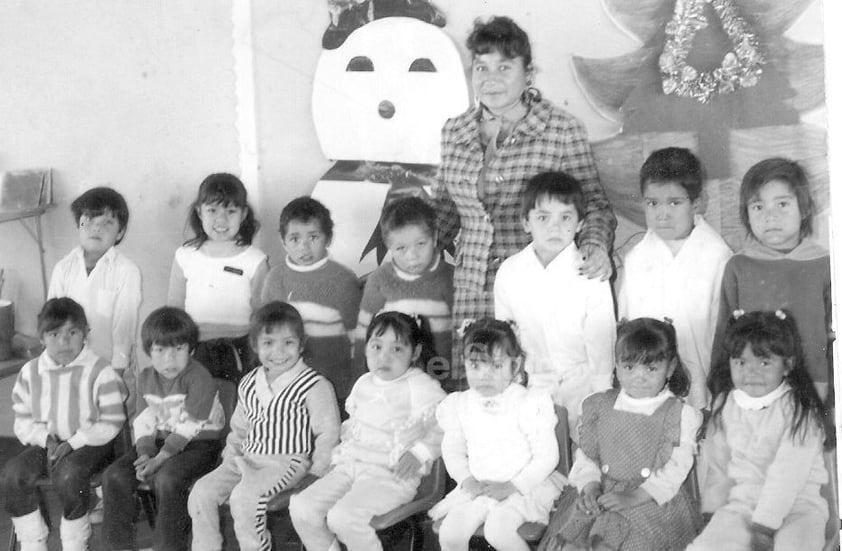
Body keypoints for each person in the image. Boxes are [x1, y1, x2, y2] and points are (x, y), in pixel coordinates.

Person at [432, 16, 616, 384]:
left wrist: (595, 246)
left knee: (533, 396)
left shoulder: (561, 129)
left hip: (536, 286)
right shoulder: (455, 131)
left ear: (528, 73)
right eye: (481, 67)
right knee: (480, 392)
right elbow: (443, 212)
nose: (490, 78)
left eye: (504, 66)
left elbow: (594, 204)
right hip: (473, 290)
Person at [188, 301, 340, 551]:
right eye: (268, 343)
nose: (278, 352)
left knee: (244, 499)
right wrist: (230, 460)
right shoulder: (248, 382)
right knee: (201, 493)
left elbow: (328, 433)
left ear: (301, 344)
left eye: (288, 343)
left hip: (287, 463)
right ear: (255, 346)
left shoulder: (314, 384)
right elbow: (239, 430)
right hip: (245, 460)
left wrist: (318, 472)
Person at [289, 311, 446, 551]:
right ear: (366, 348)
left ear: (414, 353)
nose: (384, 357)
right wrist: (339, 458)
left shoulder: (420, 386)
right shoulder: (363, 383)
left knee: (342, 517)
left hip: (390, 475)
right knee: (302, 507)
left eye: (397, 349)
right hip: (350, 467)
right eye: (377, 346)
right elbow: (353, 428)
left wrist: (420, 452)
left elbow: (447, 425)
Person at [540, 318, 702, 551]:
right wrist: (590, 486)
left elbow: (676, 467)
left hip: (649, 499)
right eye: (629, 367)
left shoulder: (679, 414)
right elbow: (588, 456)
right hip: (602, 492)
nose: (640, 376)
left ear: (671, 367)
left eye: (651, 368)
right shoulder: (600, 405)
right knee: (570, 544)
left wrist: (635, 497)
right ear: (616, 366)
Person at [688, 310, 829, 551]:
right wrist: (712, 513)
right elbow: (718, 467)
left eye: (764, 362)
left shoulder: (799, 411)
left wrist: (764, 528)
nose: (751, 372)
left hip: (798, 507)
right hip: (743, 503)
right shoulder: (726, 404)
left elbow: (787, 476)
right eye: (741, 362)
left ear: (788, 365)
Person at [1, 298, 127, 551]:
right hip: (48, 443)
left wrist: (73, 443)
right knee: (13, 475)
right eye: (54, 334)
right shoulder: (30, 372)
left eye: (72, 332)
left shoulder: (101, 371)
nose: (63, 342)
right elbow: (23, 421)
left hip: (93, 443)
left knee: (68, 474)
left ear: (85, 334)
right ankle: (33, 540)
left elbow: (112, 422)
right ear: (41, 337)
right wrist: (45, 439)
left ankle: (74, 541)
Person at [495, 172, 615, 434]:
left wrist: (602, 396)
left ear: (581, 223)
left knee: (584, 460)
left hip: (583, 386)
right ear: (526, 222)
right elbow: (505, 340)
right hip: (532, 388)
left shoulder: (590, 272)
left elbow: (602, 341)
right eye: (542, 217)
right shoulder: (509, 272)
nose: (554, 227)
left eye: (566, 217)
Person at [430, 318, 563, 551]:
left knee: (498, 531)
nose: (485, 376)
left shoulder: (527, 403)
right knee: (450, 533)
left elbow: (547, 457)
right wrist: (466, 479)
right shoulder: (460, 405)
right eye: (476, 366)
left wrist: (514, 485)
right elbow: (452, 450)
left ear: (516, 365)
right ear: (465, 364)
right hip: (479, 489)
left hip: (522, 488)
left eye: (497, 366)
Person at [102, 307, 225, 551]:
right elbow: (144, 418)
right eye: (160, 350)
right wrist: (146, 453)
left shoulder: (199, 377)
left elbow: (192, 424)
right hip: (161, 442)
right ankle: (118, 547)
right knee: (114, 475)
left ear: (191, 349)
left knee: (167, 479)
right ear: (149, 351)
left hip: (200, 444)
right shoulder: (146, 377)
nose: (169, 359)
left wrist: (160, 459)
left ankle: (168, 547)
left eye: (178, 349)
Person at [618, 148, 732, 408]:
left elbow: (721, 331)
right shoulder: (636, 258)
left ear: (697, 202)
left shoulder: (717, 256)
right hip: (646, 383)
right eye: (652, 203)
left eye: (674, 202)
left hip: (699, 382)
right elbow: (627, 325)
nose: (662, 213)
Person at [711, 158, 832, 399]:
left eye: (782, 204)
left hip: (813, 387)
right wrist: (719, 389)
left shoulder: (825, 265)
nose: (770, 217)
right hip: (752, 389)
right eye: (758, 207)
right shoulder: (739, 267)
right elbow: (725, 333)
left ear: (805, 208)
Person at [261, 196, 362, 408]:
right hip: (287, 388)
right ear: (283, 241)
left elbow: (357, 338)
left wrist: (357, 386)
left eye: (313, 237)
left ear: (328, 238)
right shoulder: (275, 278)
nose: (304, 248)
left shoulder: (343, 280)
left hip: (336, 385)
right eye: (295, 239)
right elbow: (265, 335)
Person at [167, 172, 269, 382]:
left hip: (242, 349)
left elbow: (262, 314)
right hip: (195, 348)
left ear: (243, 215)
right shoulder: (184, 256)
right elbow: (174, 310)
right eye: (212, 210)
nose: (221, 219)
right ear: (199, 212)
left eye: (231, 211)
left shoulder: (255, 260)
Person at [48, 186, 142, 404]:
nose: (96, 228)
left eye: (107, 223)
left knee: (112, 428)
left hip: (111, 368)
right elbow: (51, 321)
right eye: (88, 220)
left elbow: (124, 329)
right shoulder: (63, 268)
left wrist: (116, 374)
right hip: (69, 367)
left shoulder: (126, 271)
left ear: (120, 232)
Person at [354, 197, 453, 384]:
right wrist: (360, 382)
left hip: (440, 381)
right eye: (401, 248)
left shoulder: (450, 277)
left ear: (435, 237)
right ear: (389, 247)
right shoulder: (380, 280)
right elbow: (363, 336)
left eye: (420, 244)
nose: (412, 256)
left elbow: (459, 334)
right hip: (391, 383)